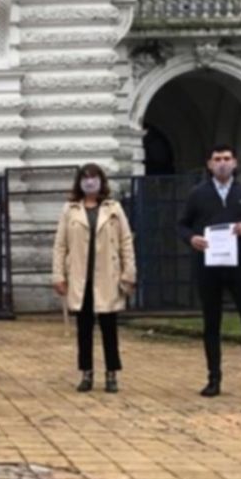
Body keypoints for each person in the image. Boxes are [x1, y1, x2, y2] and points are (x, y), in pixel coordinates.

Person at [177, 144, 241, 402]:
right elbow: (182, 225)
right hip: (208, 268)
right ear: (209, 164)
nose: (222, 163)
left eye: (227, 158)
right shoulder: (197, 194)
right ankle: (213, 378)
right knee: (211, 324)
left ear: (235, 162)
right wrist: (192, 239)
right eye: (217, 159)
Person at [52, 164, 137, 394]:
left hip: (108, 275)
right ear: (79, 182)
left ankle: (111, 373)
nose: (90, 182)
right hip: (81, 277)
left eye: (94, 177)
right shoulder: (70, 210)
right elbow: (60, 245)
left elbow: (126, 241)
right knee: (84, 328)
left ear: (101, 181)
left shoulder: (113, 208)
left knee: (109, 328)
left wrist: (129, 273)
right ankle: (86, 372)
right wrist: (58, 275)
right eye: (86, 178)